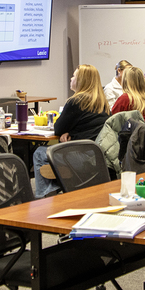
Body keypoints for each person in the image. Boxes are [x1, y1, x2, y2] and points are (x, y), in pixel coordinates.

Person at [32, 64, 111, 198]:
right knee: (50, 160)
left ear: (81, 81)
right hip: (96, 155)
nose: (71, 78)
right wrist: (72, 134)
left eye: (74, 76)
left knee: (39, 153)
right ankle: (60, 188)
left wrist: (68, 134)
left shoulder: (76, 101)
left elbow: (58, 129)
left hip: (80, 156)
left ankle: (44, 195)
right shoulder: (102, 102)